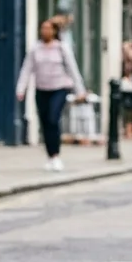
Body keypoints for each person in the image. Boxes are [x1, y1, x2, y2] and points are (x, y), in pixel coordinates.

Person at [16, 20, 86, 172]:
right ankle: (50, 156)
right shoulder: (35, 48)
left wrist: (80, 91)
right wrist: (21, 89)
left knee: (53, 119)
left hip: (60, 88)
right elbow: (26, 69)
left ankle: (56, 156)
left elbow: (72, 68)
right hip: (41, 89)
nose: (45, 31)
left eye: (48, 29)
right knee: (45, 122)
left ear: (54, 31)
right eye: (43, 28)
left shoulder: (61, 48)